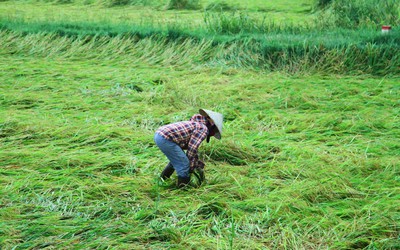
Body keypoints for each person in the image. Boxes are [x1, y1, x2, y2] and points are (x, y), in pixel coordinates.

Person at [154, 109, 223, 188]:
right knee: (184, 164)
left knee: (178, 160)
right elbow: (192, 149)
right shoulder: (203, 128)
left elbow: (191, 148)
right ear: (212, 124)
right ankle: (182, 190)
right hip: (166, 138)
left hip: (160, 134)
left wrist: (195, 161)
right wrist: (191, 166)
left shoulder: (196, 124)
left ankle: (162, 180)